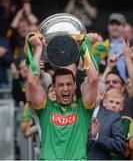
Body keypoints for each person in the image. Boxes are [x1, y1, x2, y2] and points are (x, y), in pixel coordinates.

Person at [26, 32, 99, 160]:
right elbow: (32, 82)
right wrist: (37, 49)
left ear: (75, 85)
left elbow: (93, 80)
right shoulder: (45, 108)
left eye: (69, 84)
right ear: (53, 87)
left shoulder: (84, 108)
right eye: (60, 85)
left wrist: (85, 47)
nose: (65, 88)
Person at [87, 88, 126, 160]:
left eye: (117, 103)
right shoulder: (79, 113)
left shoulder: (115, 117)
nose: (114, 105)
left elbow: (120, 146)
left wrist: (97, 136)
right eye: (111, 101)